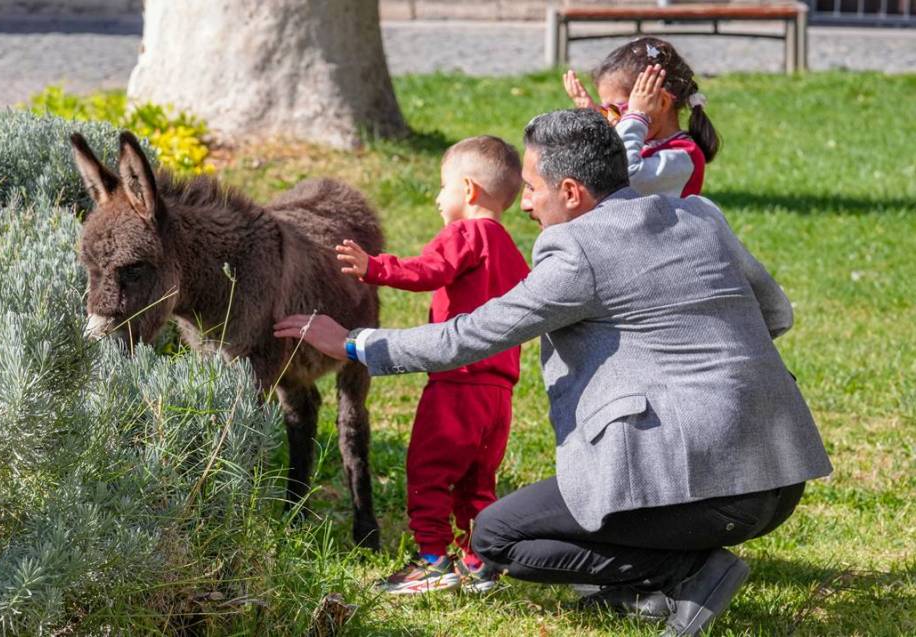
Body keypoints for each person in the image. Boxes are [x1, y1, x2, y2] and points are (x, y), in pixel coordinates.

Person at [275, 109, 832, 636]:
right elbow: (776, 314)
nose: (524, 205)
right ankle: (657, 577)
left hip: (701, 486)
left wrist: (352, 342)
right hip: (780, 476)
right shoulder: (700, 215)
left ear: (571, 192)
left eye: (533, 188)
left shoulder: (575, 248)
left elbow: (470, 334)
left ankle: (685, 573)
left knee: (496, 535)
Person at [335, 135, 530, 594]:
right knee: (478, 483)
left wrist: (374, 268)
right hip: (498, 396)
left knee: (428, 473)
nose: (437, 198)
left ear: (468, 189)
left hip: (456, 386)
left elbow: (429, 271)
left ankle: (431, 560)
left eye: (442, 188)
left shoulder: (466, 234)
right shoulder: (512, 251)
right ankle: (480, 563)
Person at [563, 37, 720, 197]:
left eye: (618, 109)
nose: (613, 119)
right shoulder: (637, 140)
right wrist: (595, 121)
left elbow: (621, 179)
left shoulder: (684, 156)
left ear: (662, 102)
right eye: (606, 110)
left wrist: (636, 116)